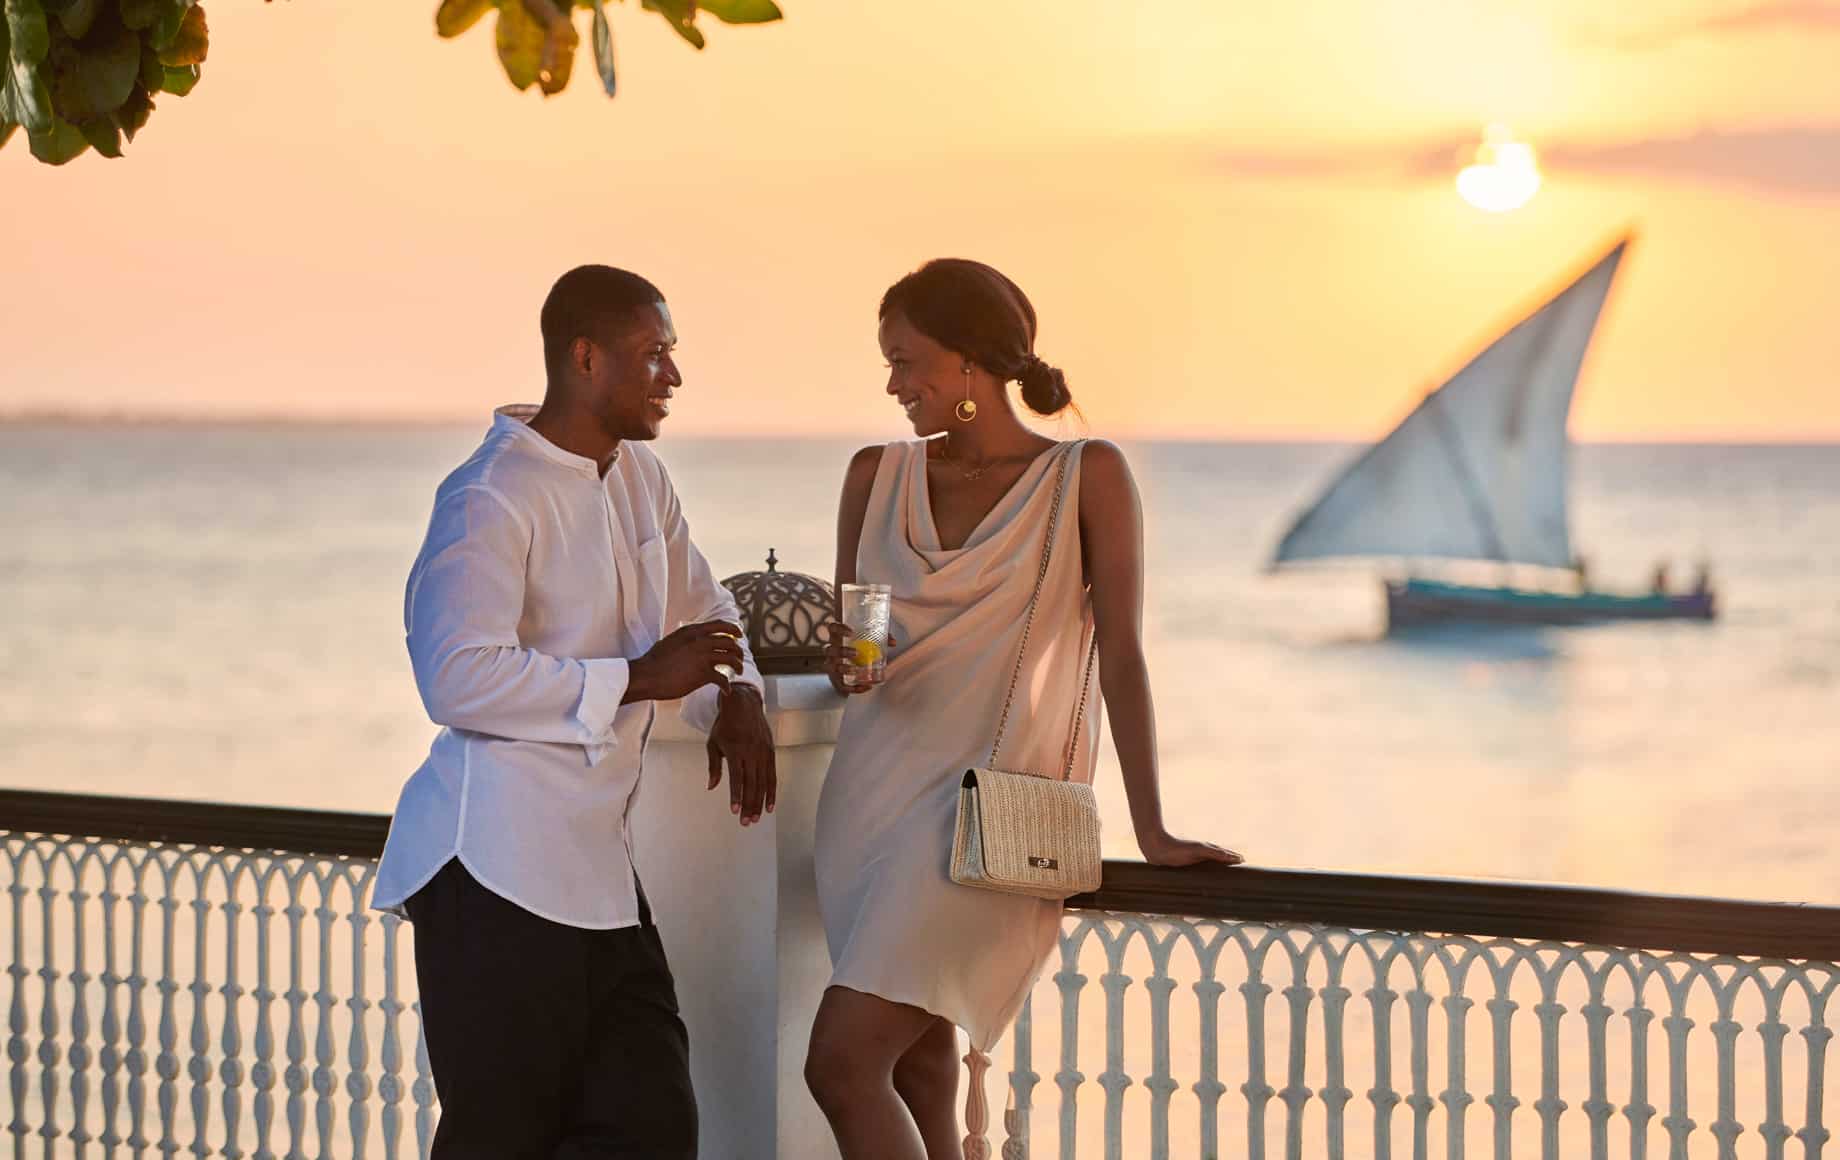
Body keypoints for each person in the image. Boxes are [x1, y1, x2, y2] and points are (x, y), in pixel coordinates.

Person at [803, 258, 1243, 1160]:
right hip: (867, 802)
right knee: (918, 1068)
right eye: (886, 364)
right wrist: (848, 664)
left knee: (839, 1067)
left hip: (975, 819)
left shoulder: (1087, 476)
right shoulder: (872, 475)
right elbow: (857, 645)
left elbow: (1121, 654)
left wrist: (1152, 829)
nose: (893, 385)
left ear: (969, 363)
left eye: (907, 361)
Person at [369, 265, 777, 1159]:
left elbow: (707, 613)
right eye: (653, 354)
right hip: (493, 873)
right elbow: (454, 678)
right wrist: (634, 678)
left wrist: (736, 691)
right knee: (502, 1139)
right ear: (585, 359)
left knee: (652, 1127)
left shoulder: (640, 478)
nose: (672, 375)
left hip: (598, 877)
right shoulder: (488, 495)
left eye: (672, 354)